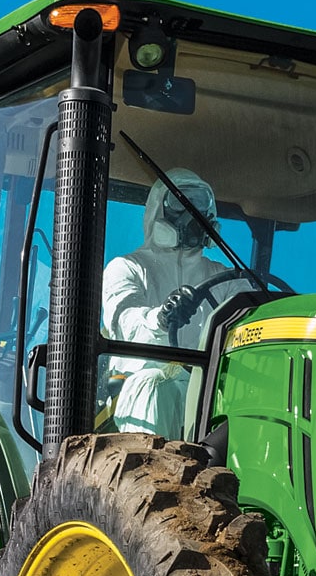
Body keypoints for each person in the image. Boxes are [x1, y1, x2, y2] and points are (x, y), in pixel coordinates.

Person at [100, 169, 235, 437]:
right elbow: (125, 322)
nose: (192, 218)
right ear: (157, 212)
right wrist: (161, 318)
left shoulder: (224, 278)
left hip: (205, 387)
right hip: (136, 392)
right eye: (182, 205)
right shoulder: (128, 268)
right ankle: (148, 472)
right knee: (157, 385)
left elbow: (252, 314)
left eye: (199, 209)